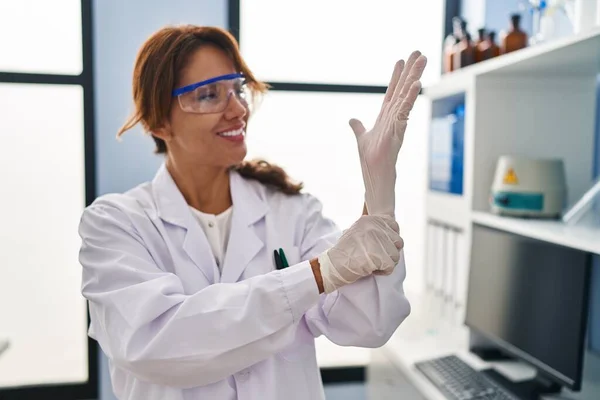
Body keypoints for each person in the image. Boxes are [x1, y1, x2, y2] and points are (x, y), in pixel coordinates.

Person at [78, 25, 426, 400]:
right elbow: (160, 343)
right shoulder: (116, 224)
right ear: (158, 121)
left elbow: (367, 323)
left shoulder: (291, 211)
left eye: (237, 90)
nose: (238, 109)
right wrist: (314, 276)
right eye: (209, 95)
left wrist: (379, 193)